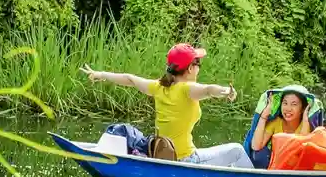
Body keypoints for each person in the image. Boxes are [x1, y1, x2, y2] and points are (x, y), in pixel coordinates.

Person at [81, 43, 254, 168]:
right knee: (237, 150)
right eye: (198, 63)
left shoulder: (159, 86)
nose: (199, 68)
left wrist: (100, 74)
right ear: (190, 69)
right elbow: (208, 90)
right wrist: (225, 91)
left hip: (162, 154)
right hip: (186, 159)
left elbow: (130, 79)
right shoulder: (187, 89)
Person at [245, 87, 317, 169]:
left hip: (295, 169)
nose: (288, 109)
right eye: (285, 103)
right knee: (258, 154)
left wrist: (305, 119)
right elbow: (255, 146)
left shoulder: (306, 125)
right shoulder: (276, 122)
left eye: (294, 104)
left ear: (302, 109)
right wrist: (264, 116)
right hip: (275, 168)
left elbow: (302, 152)